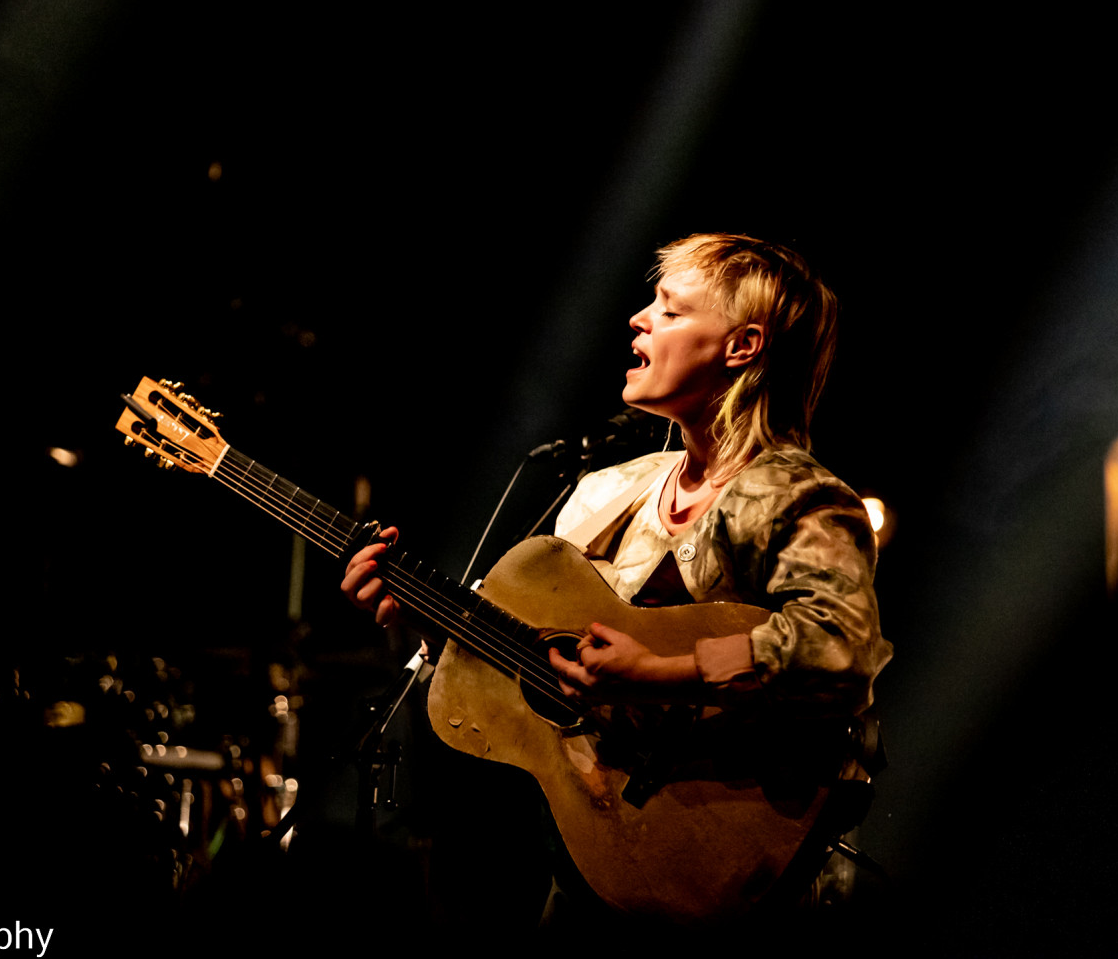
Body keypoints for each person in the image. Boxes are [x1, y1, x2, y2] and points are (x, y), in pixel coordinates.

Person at [341, 232, 892, 920]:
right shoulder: (609, 490)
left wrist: (660, 671)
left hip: (727, 874)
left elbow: (841, 649)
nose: (638, 320)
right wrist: (428, 619)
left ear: (742, 347)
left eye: (670, 308)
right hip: (594, 860)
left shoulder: (796, 496)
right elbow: (540, 659)